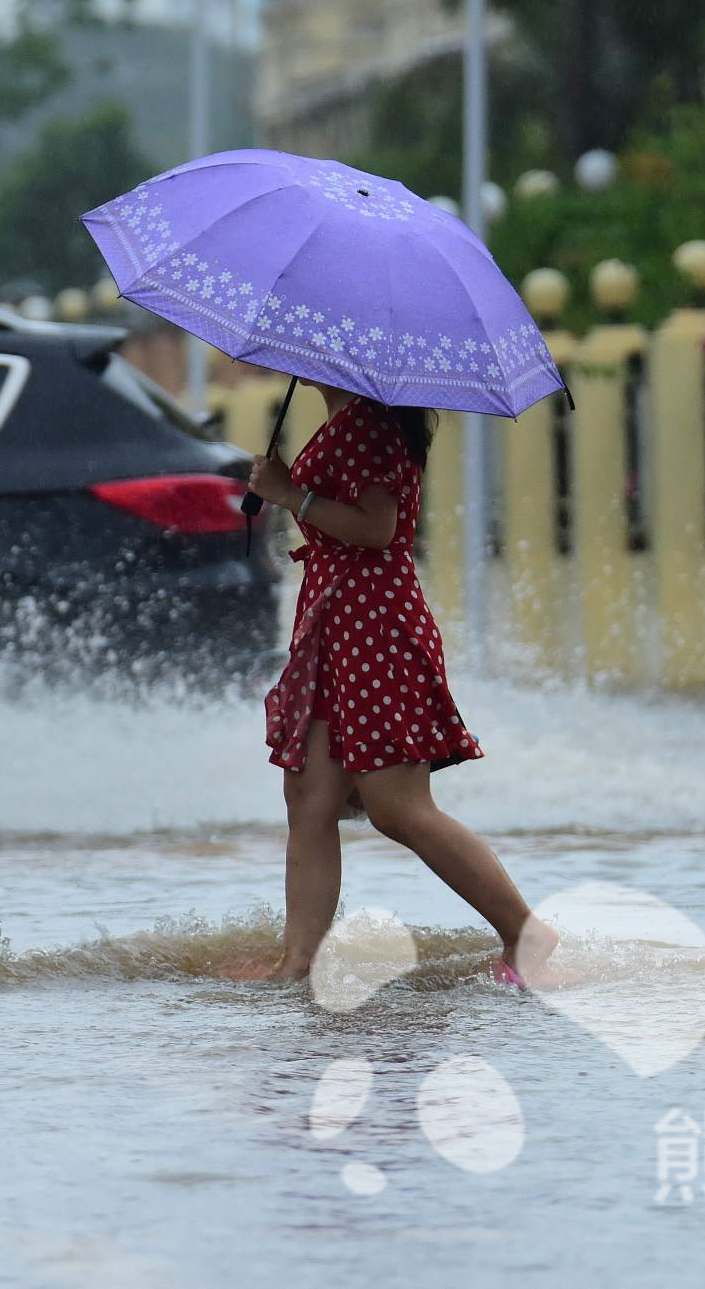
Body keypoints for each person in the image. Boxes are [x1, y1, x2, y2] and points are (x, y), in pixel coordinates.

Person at [237, 383, 560, 988]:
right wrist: (289, 492)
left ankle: (526, 934)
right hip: (336, 625)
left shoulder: (369, 424)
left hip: (375, 629)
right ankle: (299, 964)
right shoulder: (346, 420)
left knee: (398, 809)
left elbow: (378, 529)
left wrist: (290, 495)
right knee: (309, 801)